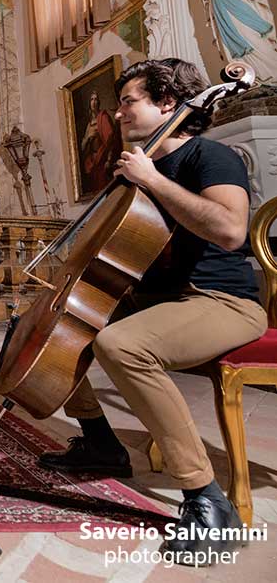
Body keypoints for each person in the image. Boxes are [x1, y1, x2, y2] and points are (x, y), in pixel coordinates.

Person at [38, 58, 265, 561]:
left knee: (121, 344)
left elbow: (230, 231)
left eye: (128, 102)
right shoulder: (136, 170)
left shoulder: (211, 157)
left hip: (220, 301)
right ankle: (100, 442)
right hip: (157, 300)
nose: (119, 114)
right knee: (66, 324)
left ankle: (205, 496)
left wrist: (154, 181)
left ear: (168, 103)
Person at [79, 91, 120, 194]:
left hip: (102, 159)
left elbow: (110, 141)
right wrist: (88, 138)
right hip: (92, 162)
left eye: (96, 99)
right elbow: (83, 147)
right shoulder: (89, 125)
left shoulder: (103, 118)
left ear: (99, 102)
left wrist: (109, 159)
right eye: (92, 99)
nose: (94, 102)